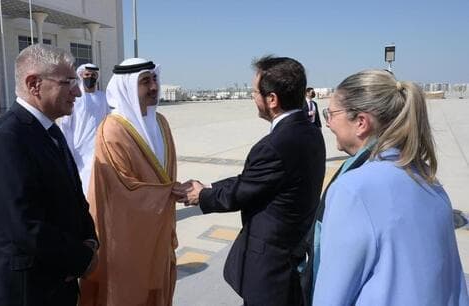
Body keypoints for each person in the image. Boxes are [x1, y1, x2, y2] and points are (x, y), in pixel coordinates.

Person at [174, 55, 326, 306]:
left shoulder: (274, 145)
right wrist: (211, 186)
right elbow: (256, 180)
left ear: (272, 99)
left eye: (254, 92)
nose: (252, 97)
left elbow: (244, 190)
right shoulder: (309, 132)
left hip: (271, 267)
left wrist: (200, 195)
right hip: (291, 252)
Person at [313, 70, 469, 305]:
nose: (328, 121)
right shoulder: (428, 179)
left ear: (361, 122)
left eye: (332, 113)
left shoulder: (353, 190)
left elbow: (331, 296)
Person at [0, 44, 98, 306]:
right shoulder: (5, 138)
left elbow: (76, 198)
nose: (77, 91)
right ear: (34, 84)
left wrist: (90, 239)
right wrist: (81, 258)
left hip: (57, 285)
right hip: (26, 292)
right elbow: (23, 224)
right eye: (68, 82)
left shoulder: (51, 131)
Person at [79, 58, 178, 306]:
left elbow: (168, 173)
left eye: (154, 79)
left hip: (159, 230)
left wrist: (170, 192)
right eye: (145, 81)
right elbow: (122, 190)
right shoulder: (112, 130)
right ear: (127, 87)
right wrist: (171, 192)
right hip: (125, 236)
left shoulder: (161, 123)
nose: (154, 87)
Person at [59, 63, 110, 195]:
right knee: (81, 183)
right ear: (81, 75)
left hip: (99, 147)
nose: (90, 77)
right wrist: (68, 149)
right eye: (87, 74)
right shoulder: (75, 98)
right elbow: (66, 126)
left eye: (93, 75)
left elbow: (109, 121)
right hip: (78, 149)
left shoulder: (103, 97)